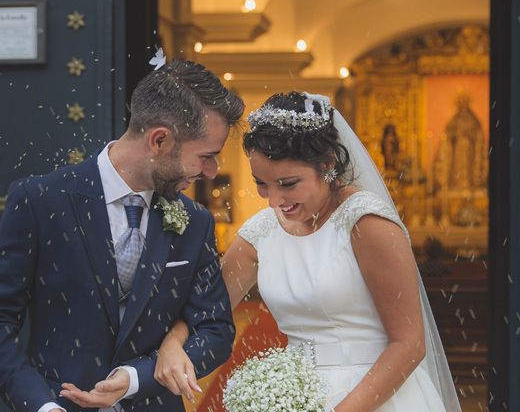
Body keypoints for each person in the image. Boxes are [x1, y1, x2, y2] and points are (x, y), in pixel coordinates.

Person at [154, 92, 461, 411]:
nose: (273, 200)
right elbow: (206, 308)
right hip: (297, 397)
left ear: (327, 165)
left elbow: (409, 344)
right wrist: (173, 343)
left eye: (288, 183)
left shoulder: (367, 224)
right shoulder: (262, 231)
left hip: (379, 396)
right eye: (262, 183)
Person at [0, 59, 244, 412]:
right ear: (160, 140)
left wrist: (135, 377)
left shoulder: (195, 221)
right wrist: (40, 405)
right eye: (205, 156)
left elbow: (216, 330)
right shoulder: (40, 200)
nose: (211, 171)